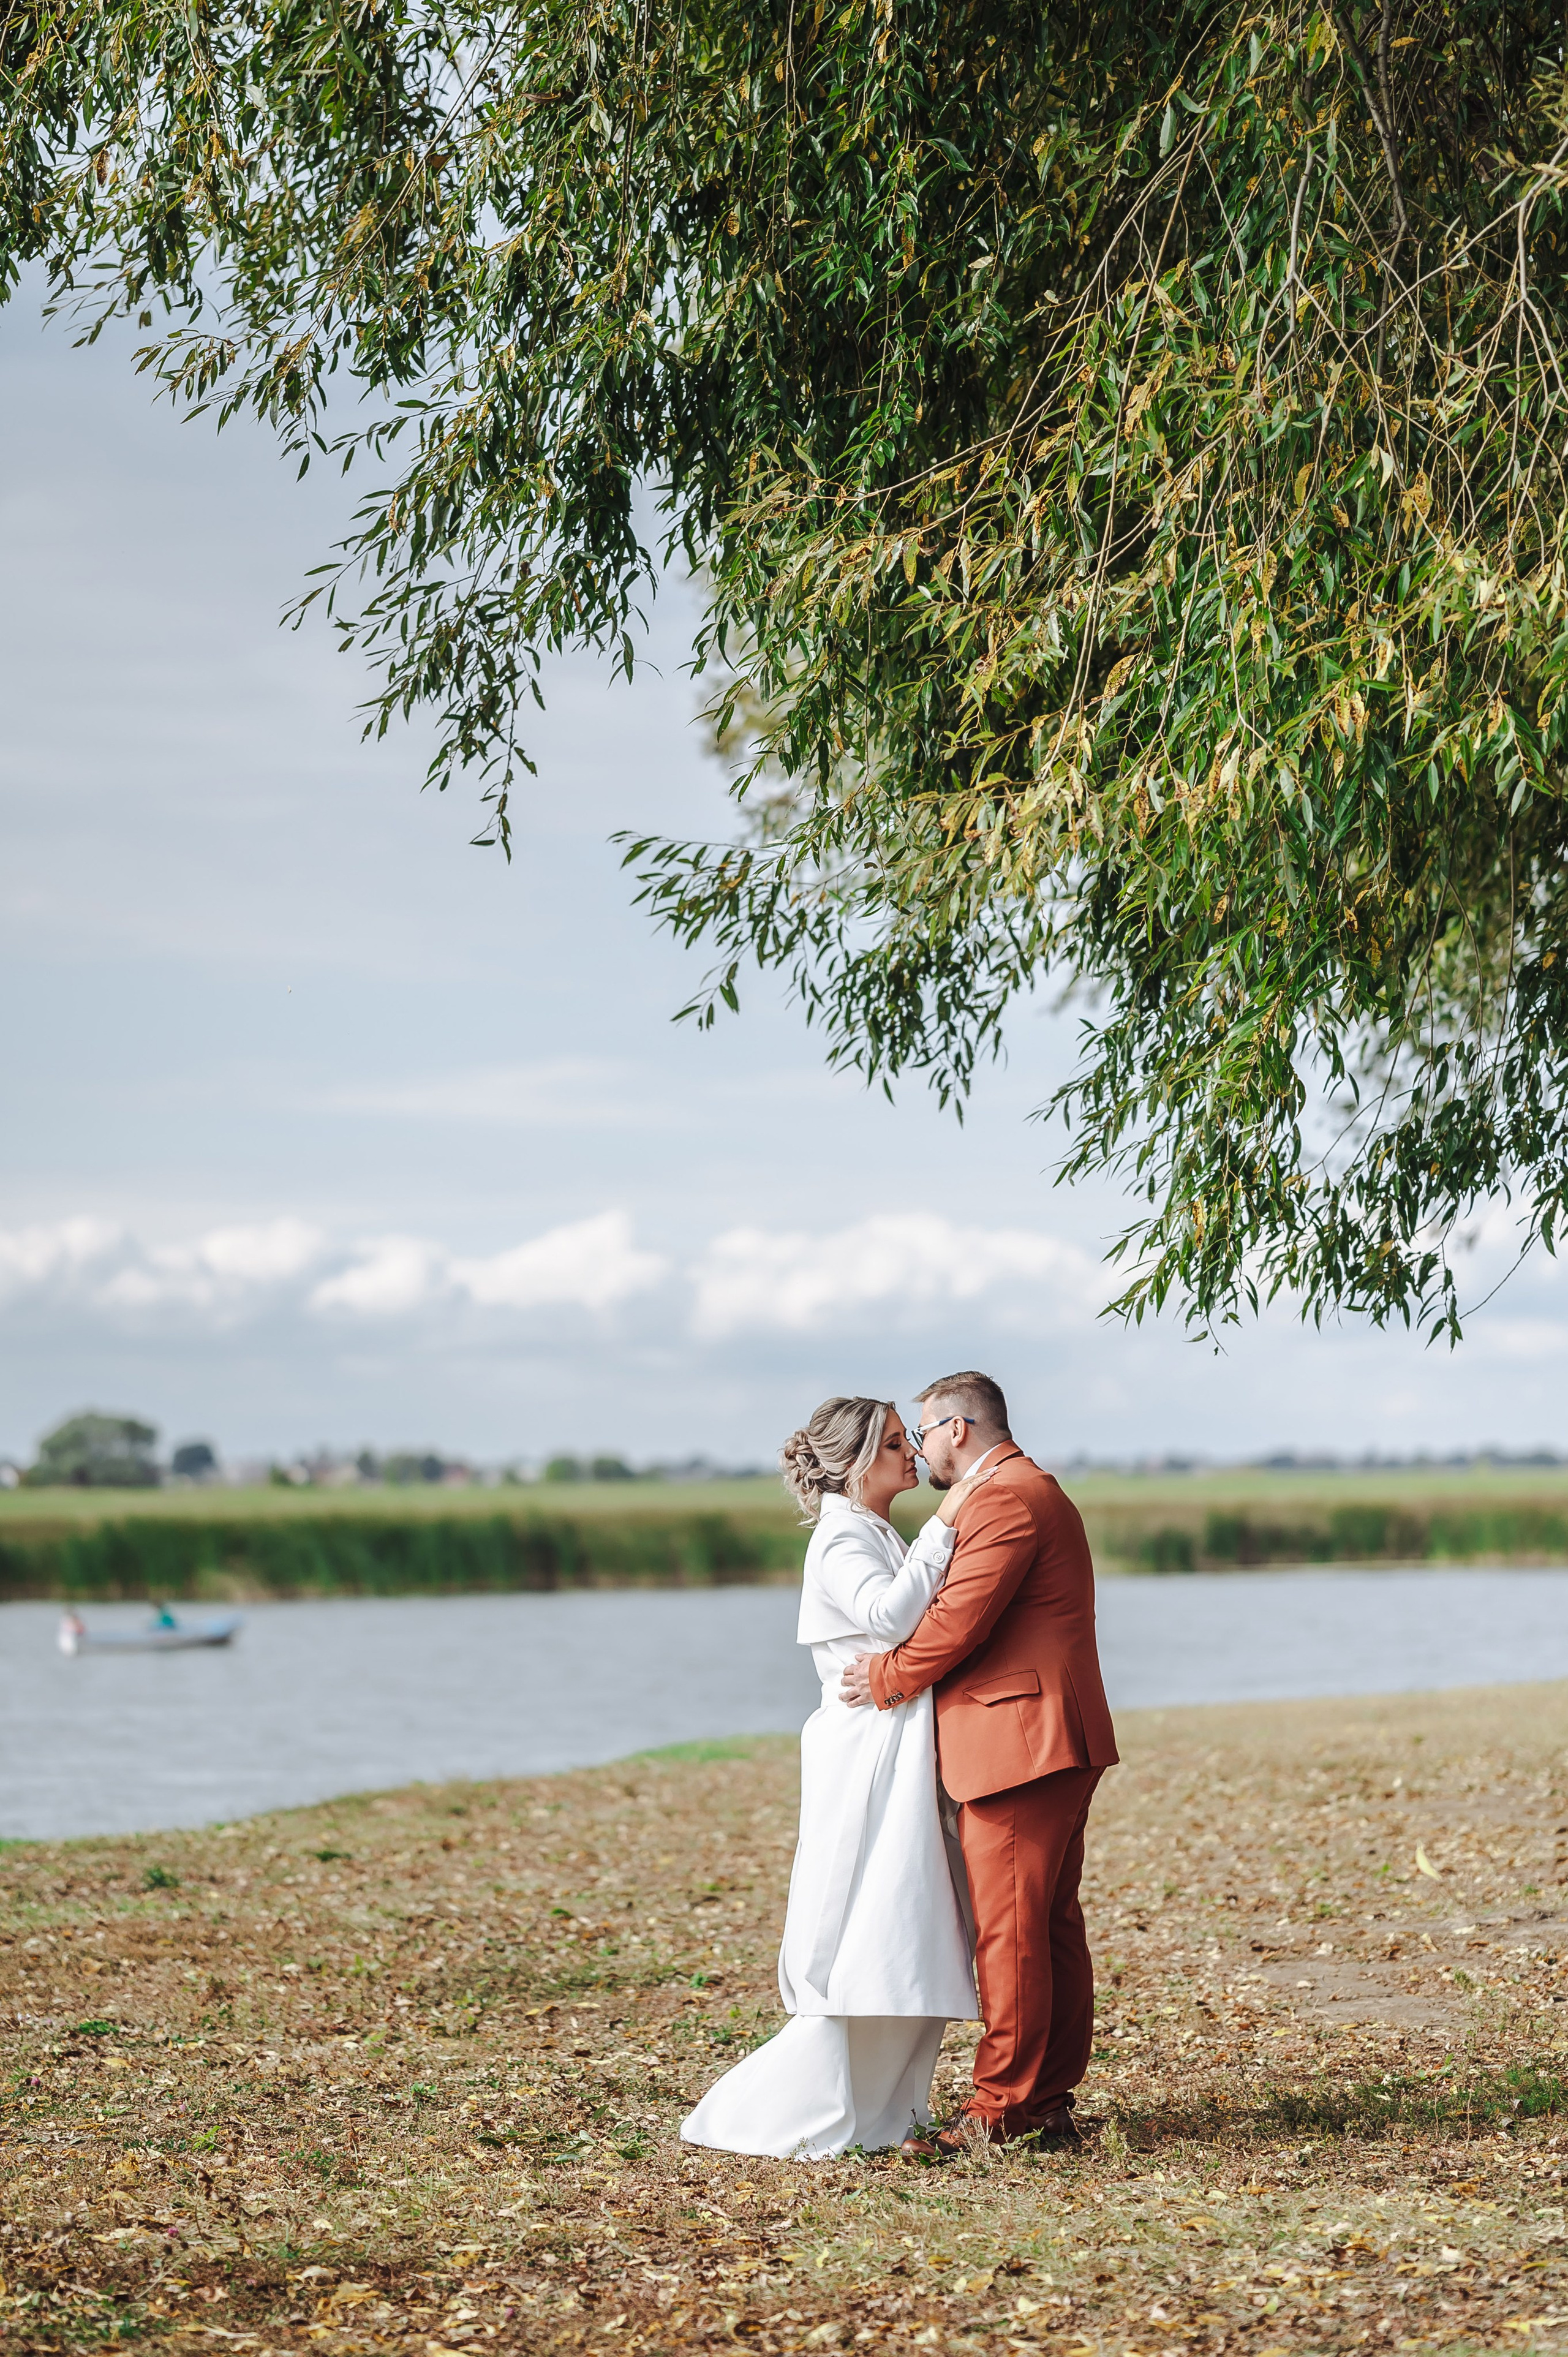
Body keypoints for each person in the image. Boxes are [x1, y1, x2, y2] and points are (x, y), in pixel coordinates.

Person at [680, 1395, 998, 2159]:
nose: (912, 1454)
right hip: (866, 1753)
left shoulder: (873, 1529)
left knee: (910, 1922)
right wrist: (945, 1524)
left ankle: (888, 2108)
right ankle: (791, 2110)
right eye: (895, 1443)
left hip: (894, 1739)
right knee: (877, 1917)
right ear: (856, 1462)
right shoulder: (841, 1538)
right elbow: (889, 1618)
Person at [840, 1370, 1118, 2158]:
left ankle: (1000, 2110)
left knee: (1014, 1933)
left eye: (922, 1433)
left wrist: (884, 1678)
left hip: (1021, 1743)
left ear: (958, 1429)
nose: (920, 1447)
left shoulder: (1003, 1497)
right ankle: (1045, 2102)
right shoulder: (1027, 1489)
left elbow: (955, 1620)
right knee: (1046, 1925)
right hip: (1041, 1736)